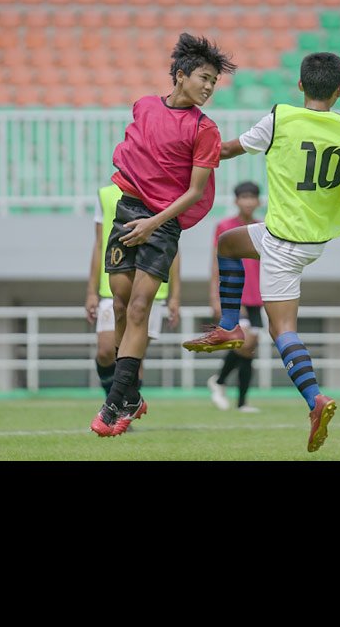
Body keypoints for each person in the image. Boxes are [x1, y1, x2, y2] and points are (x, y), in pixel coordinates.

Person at [182, 52, 340, 452]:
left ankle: (316, 400)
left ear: (299, 85)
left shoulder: (282, 119)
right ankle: (229, 325)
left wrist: (187, 145)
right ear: (339, 91)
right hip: (312, 241)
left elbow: (226, 151)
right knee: (228, 243)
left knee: (282, 331)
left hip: (282, 244)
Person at [90, 32, 236, 438]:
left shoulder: (205, 130)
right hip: (128, 210)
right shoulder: (145, 106)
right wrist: (138, 216)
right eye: (204, 78)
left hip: (163, 221)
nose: (209, 87)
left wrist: (154, 223)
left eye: (214, 82)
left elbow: (193, 192)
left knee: (139, 308)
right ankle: (132, 396)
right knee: (119, 303)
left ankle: (115, 402)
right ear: (180, 75)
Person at [85, 183, 181, 403]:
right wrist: (91, 291)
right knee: (106, 351)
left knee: (134, 357)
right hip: (112, 286)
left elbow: (173, 248)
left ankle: (123, 410)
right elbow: (99, 244)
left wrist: (175, 296)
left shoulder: (161, 190)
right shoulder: (106, 194)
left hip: (151, 289)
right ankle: (114, 401)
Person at [206, 181, 263, 413]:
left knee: (250, 349)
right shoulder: (225, 226)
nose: (248, 201)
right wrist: (215, 297)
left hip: (258, 297)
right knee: (244, 342)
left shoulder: (264, 227)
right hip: (235, 295)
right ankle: (219, 381)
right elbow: (215, 264)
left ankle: (241, 401)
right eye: (244, 197)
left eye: (252, 197)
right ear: (236, 201)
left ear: (258, 201)